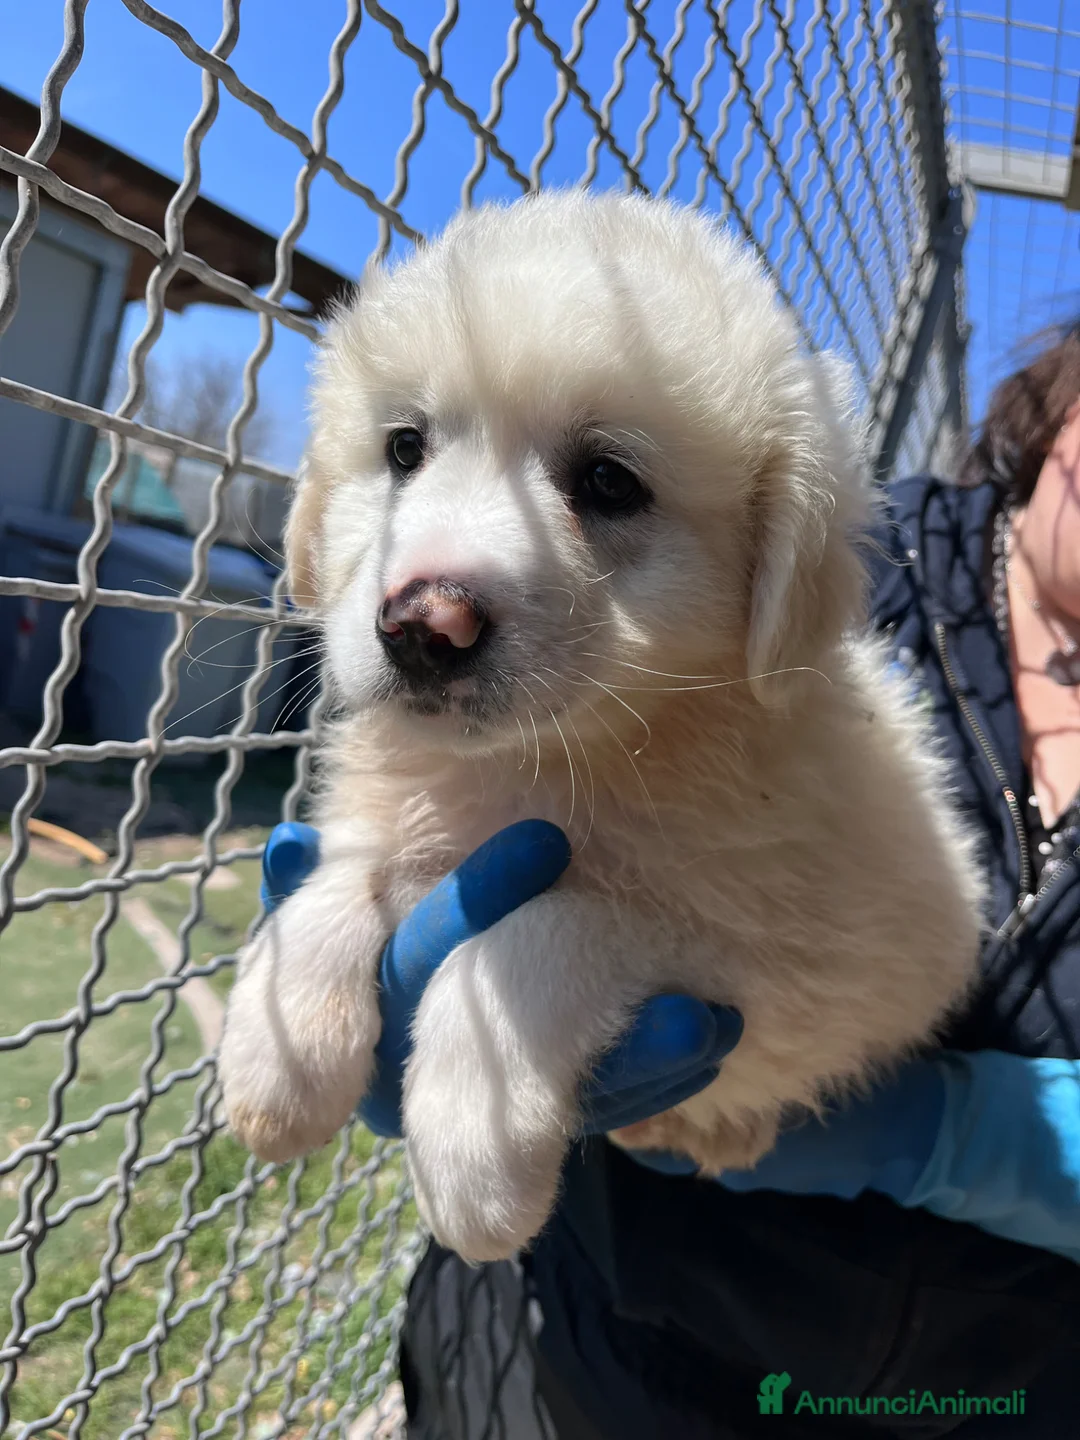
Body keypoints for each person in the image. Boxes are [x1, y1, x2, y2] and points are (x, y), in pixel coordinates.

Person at [258, 322, 1080, 1438]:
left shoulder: (781, 560)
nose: (436, 588)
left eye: (604, 480)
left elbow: (844, 922)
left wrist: (973, 1139)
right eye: (405, 448)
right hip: (595, 1348)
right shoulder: (885, 556)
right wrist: (350, 910)